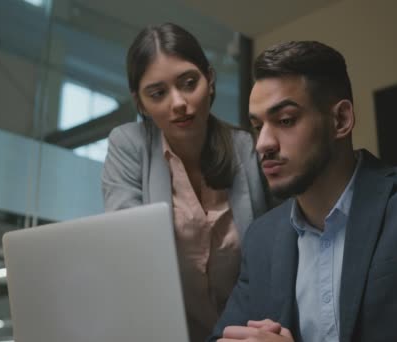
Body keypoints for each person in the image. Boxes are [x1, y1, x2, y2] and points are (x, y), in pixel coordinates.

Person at [210, 41, 397, 342]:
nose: (263, 144)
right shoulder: (261, 239)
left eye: (285, 120)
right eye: (258, 127)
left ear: (341, 120)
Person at [102, 23, 274, 341]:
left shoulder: (248, 148)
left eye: (189, 83)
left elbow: (275, 253)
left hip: (247, 333)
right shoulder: (129, 145)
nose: (178, 102)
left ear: (210, 80)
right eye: (158, 93)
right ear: (140, 103)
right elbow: (127, 249)